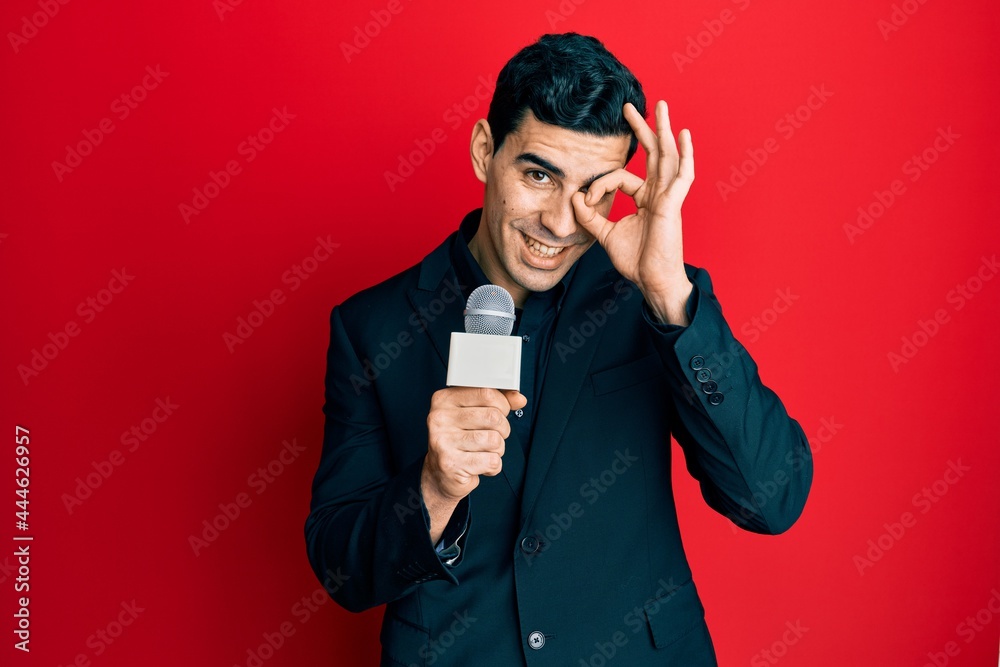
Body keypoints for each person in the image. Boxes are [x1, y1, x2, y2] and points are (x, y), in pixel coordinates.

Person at [305, 32, 813, 666]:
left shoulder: (647, 297)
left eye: (592, 189)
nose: (561, 223)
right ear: (484, 150)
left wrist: (668, 293)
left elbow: (772, 498)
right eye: (539, 175)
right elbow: (342, 571)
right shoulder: (371, 327)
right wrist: (433, 488)